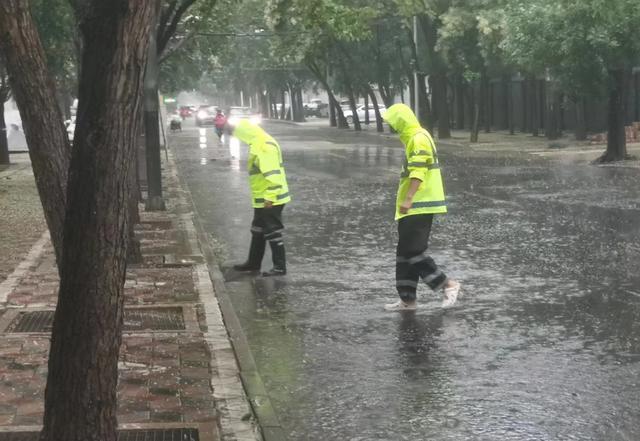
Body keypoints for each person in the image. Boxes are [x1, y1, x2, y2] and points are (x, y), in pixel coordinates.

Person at [382, 103, 460, 311]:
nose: (391, 126)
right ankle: (407, 300)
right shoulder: (414, 137)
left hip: (420, 204)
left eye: (392, 122)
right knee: (404, 252)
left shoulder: (418, 139)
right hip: (413, 205)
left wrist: (408, 199)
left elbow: (419, 172)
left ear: (401, 121)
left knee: (413, 250)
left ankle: (447, 284)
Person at [230, 119, 291, 276]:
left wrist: (270, 198)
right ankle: (253, 263)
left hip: (271, 199)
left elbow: (273, 175)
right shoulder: (257, 142)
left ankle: (279, 267)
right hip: (262, 198)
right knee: (257, 230)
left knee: (272, 231)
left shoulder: (264, 146)